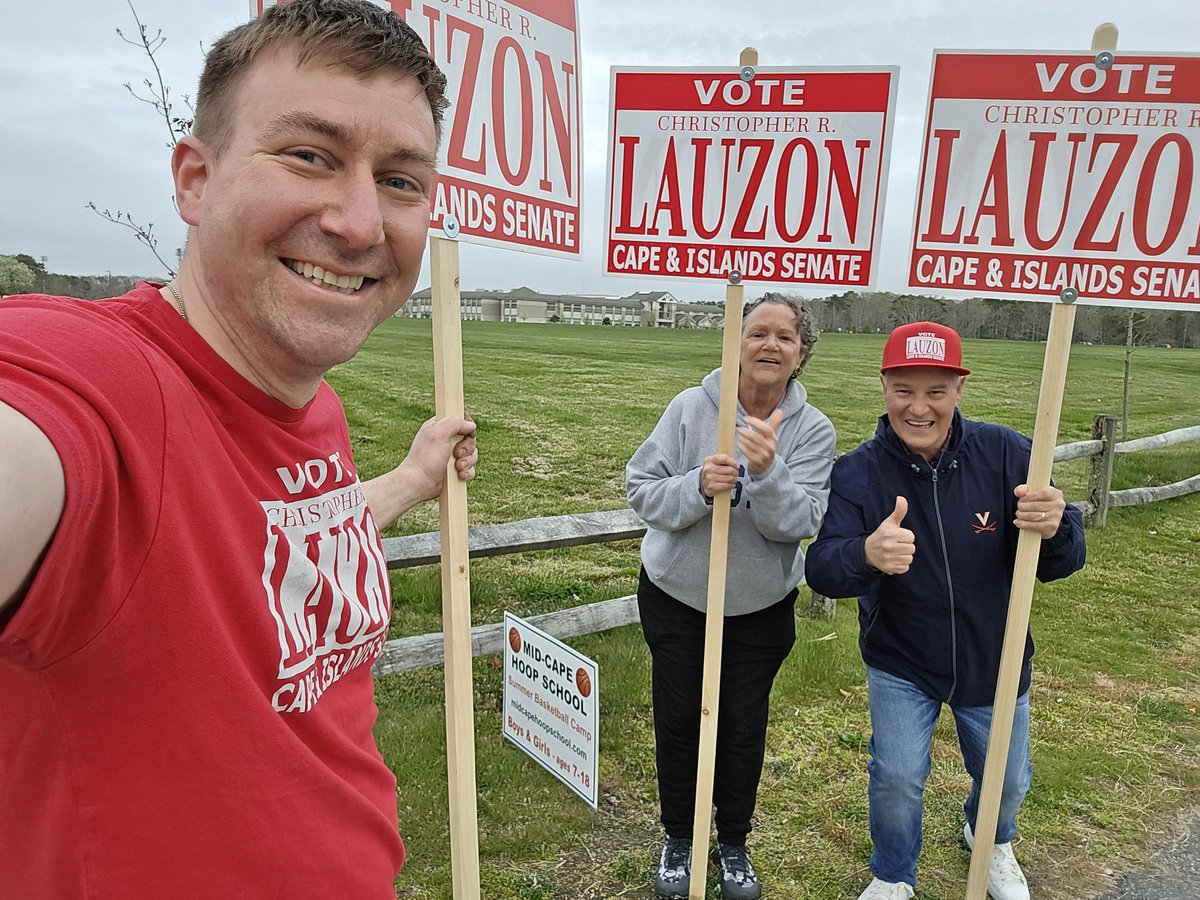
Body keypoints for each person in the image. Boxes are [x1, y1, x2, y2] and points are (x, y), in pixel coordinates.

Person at [0, 2, 477, 897]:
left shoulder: (307, 404)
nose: (362, 221)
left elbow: (264, 536)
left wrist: (411, 479)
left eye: (403, 179)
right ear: (193, 177)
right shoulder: (97, 383)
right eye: (310, 156)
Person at [804, 321, 1086, 900]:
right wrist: (867, 554)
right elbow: (822, 568)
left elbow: (1062, 559)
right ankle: (892, 874)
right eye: (904, 390)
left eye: (935, 391)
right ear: (884, 387)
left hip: (995, 656)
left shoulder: (1008, 454)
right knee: (897, 778)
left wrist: (1055, 528)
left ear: (959, 389)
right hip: (901, 660)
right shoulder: (858, 472)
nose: (919, 407)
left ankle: (992, 838)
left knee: (1007, 780)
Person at [626, 294, 837, 900]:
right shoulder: (692, 409)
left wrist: (766, 474)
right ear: (735, 343)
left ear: (800, 356)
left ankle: (734, 843)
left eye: (785, 338)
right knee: (678, 720)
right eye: (757, 333)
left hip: (758, 609)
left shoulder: (812, 430)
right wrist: (697, 486)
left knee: (742, 727)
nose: (770, 345)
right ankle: (678, 837)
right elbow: (642, 490)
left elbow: (801, 521)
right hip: (677, 598)